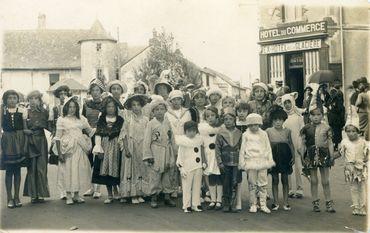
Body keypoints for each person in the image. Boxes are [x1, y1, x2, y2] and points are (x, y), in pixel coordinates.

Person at [54, 96, 95, 205]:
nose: (72, 109)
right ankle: (68, 194)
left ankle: (76, 194)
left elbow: (90, 131)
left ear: (77, 108)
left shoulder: (81, 119)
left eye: (74, 107)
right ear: (66, 108)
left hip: (79, 148)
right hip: (67, 148)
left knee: (78, 170)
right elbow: (58, 137)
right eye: (69, 107)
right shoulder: (62, 119)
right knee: (68, 170)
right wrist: (60, 153)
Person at [300, 106, 336, 213]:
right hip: (310, 155)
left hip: (323, 154)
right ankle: (315, 202)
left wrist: (332, 156)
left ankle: (328, 202)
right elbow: (303, 144)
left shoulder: (327, 127)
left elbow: (330, 143)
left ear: (322, 115)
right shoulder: (305, 128)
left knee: (325, 180)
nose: (316, 117)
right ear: (309, 116)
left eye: (318, 115)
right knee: (314, 180)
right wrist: (302, 156)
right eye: (313, 115)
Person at [142, 97, 177, 208]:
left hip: (167, 150)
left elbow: (171, 138)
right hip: (156, 150)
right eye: (157, 110)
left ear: (165, 110)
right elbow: (147, 140)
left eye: (162, 109)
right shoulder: (151, 124)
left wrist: (174, 152)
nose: (159, 111)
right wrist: (148, 155)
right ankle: (154, 197)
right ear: (153, 112)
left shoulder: (168, 122)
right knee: (155, 174)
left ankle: (167, 196)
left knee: (167, 173)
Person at [239, 113, 274, 214]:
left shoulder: (264, 134)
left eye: (256, 124)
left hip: (262, 161)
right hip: (251, 161)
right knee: (252, 184)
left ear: (259, 124)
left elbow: (268, 148)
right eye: (251, 125)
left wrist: (269, 160)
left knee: (263, 183)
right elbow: (242, 149)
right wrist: (242, 163)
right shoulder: (245, 135)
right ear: (248, 125)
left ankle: (263, 204)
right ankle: (253, 204)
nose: (254, 127)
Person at [92, 96, 124, 204]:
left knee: (116, 167)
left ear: (116, 108)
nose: (111, 108)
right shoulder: (102, 119)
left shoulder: (120, 120)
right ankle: (110, 193)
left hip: (116, 145)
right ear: (105, 108)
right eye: (108, 106)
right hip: (105, 145)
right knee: (106, 168)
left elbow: (122, 134)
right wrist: (99, 148)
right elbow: (98, 133)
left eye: (113, 106)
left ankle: (117, 191)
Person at [119, 94, 149, 204]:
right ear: (131, 107)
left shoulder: (146, 120)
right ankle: (132, 194)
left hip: (142, 147)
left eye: (138, 105)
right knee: (131, 169)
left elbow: (148, 135)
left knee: (142, 169)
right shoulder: (128, 120)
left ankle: (140, 193)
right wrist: (126, 149)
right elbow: (124, 135)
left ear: (142, 106)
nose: (136, 107)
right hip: (131, 146)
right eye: (133, 105)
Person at [0, 90, 27, 208]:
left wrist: (24, 143)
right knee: (9, 170)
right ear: (5, 100)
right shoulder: (2, 111)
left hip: (18, 141)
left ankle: (17, 196)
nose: (12, 100)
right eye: (9, 98)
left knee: (17, 170)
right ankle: (9, 198)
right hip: (7, 142)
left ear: (17, 99)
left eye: (14, 98)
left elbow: (25, 129)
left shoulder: (22, 111)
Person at [23, 90, 50, 203]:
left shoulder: (45, 112)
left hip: (41, 141)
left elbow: (50, 126)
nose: (33, 101)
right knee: (32, 168)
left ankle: (41, 193)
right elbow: (23, 128)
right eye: (31, 99)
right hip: (30, 141)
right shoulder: (25, 112)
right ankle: (33, 194)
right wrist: (26, 131)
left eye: (36, 99)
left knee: (41, 168)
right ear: (28, 100)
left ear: (39, 100)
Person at [266, 106, 294, 211]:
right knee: (274, 179)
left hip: (285, 156)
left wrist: (293, 157)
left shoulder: (288, 131)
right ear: (272, 120)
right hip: (273, 156)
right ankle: (275, 202)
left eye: (280, 120)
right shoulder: (268, 131)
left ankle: (286, 202)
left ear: (283, 120)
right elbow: (266, 146)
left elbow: (291, 144)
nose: (278, 122)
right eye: (275, 120)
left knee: (285, 179)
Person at [215, 107, 242, 212]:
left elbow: (241, 147)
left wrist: (241, 162)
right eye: (226, 119)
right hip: (225, 162)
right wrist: (219, 162)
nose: (228, 121)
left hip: (236, 162)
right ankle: (225, 203)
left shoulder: (239, 133)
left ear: (234, 120)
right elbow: (217, 149)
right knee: (226, 183)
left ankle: (233, 204)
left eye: (230, 119)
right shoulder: (220, 133)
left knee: (235, 182)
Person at [339, 117, 368, 216]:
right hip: (350, 168)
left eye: (353, 131)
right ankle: (356, 206)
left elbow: (367, 155)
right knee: (353, 187)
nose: (351, 133)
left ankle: (363, 206)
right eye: (348, 131)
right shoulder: (344, 142)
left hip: (361, 167)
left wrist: (365, 162)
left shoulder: (363, 142)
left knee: (362, 186)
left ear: (358, 131)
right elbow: (341, 153)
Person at [82, 78, 106, 199]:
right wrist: (85, 133)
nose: (95, 92)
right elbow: (82, 120)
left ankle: (97, 189)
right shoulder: (86, 104)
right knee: (89, 161)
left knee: (98, 161)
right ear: (90, 92)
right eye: (93, 90)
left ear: (101, 91)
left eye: (97, 90)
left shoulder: (105, 104)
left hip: (100, 135)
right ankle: (91, 187)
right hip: (88, 135)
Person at [176, 121, 206, 213]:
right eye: (189, 131)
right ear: (185, 131)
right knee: (187, 187)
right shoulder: (183, 142)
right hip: (187, 168)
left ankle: (196, 204)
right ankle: (187, 205)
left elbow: (201, 152)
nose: (192, 133)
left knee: (197, 187)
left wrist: (203, 162)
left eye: (194, 130)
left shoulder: (199, 140)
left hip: (198, 167)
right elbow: (180, 157)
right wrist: (181, 168)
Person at [49, 85, 71, 200]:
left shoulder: (72, 107)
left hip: (70, 138)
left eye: (65, 94)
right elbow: (50, 123)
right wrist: (54, 132)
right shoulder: (55, 108)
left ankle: (70, 189)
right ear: (58, 96)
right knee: (61, 166)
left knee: (71, 165)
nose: (63, 96)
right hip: (59, 138)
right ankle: (62, 191)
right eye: (61, 94)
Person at [281, 93, 305, 198]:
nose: (287, 105)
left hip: (297, 143)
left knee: (298, 167)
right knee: (287, 166)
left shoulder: (298, 117)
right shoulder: (282, 117)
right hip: (286, 145)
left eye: (289, 102)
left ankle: (299, 189)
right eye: (285, 103)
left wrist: (301, 144)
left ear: (292, 102)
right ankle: (289, 189)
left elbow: (302, 131)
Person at [199, 107, 222, 210]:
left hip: (217, 156)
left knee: (219, 178)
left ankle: (219, 200)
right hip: (208, 156)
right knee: (211, 178)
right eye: (208, 116)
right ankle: (213, 199)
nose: (210, 118)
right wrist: (203, 160)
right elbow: (202, 147)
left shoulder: (220, 130)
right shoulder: (203, 130)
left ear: (217, 116)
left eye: (213, 115)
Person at [327, 84, 345, 150]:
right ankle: (334, 144)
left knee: (337, 132)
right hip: (331, 119)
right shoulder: (330, 100)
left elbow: (340, 110)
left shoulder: (338, 100)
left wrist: (332, 108)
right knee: (332, 132)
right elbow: (328, 106)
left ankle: (336, 145)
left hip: (337, 119)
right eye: (331, 93)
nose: (332, 94)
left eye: (333, 93)